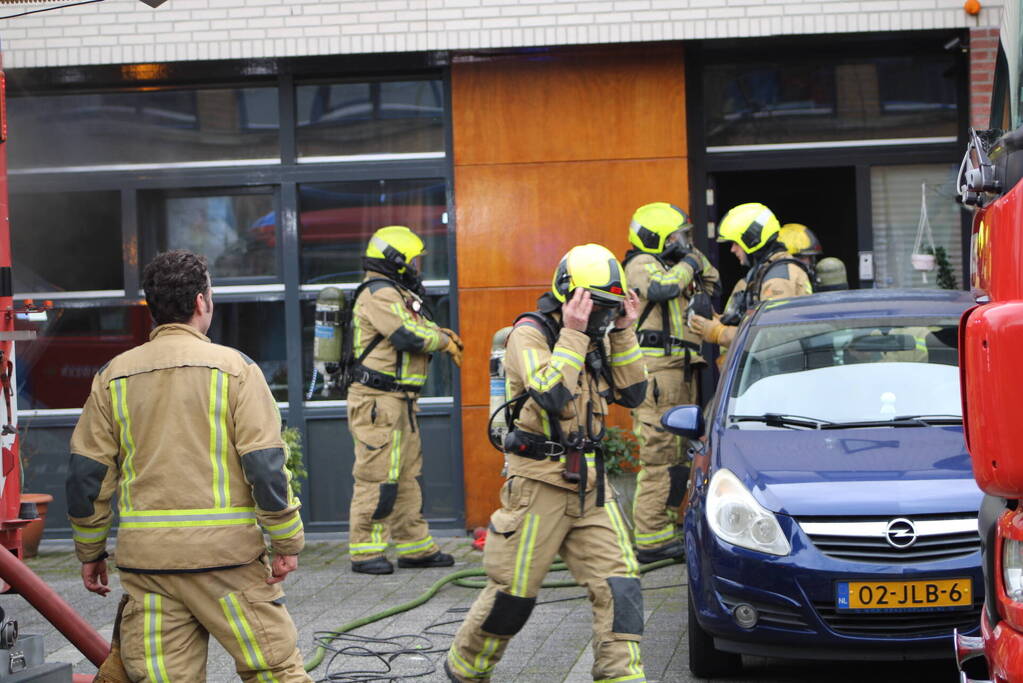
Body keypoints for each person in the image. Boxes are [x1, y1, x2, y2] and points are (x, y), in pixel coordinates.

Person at [66, 250, 311, 682]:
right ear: (202, 302)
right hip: (228, 563)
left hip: (151, 570)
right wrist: (286, 540)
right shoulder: (237, 371)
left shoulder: (112, 376)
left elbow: (87, 477)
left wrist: (90, 551)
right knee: (274, 672)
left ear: (152, 308)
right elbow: (265, 467)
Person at [446, 244, 648, 683]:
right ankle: (465, 670)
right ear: (569, 295)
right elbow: (552, 394)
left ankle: (622, 676)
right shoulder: (529, 335)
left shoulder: (603, 335)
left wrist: (624, 331)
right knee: (513, 595)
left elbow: (633, 395)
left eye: (609, 308)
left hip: (591, 485)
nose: (602, 317)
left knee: (621, 586)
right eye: (597, 306)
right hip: (538, 484)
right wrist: (575, 333)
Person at [346, 225, 463, 575]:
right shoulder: (378, 293)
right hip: (377, 400)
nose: (418, 266)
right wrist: (442, 340)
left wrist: (439, 335)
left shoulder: (395, 292)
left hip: (400, 401)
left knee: (408, 476)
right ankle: (365, 551)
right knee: (378, 476)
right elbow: (408, 335)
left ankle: (415, 546)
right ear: (395, 261)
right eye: (413, 260)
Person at [622, 202, 719, 563]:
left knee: (680, 455)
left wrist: (691, 259)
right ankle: (649, 537)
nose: (684, 242)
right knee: (660, 454)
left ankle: (664, 529)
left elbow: (712, 279)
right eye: (678, 236)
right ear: (656, 238)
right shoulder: (639, 265)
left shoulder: (675, 265)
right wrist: (689, 262)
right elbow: (662, 289)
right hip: (657, 371)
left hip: (681, 367)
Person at [689, 203, 812, 353]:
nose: (732, 249)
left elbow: (771, 337)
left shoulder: (778, 279)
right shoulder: (765, 272)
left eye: (736, 243)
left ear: (752, 240)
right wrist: (719, 321)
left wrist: (719, 333)